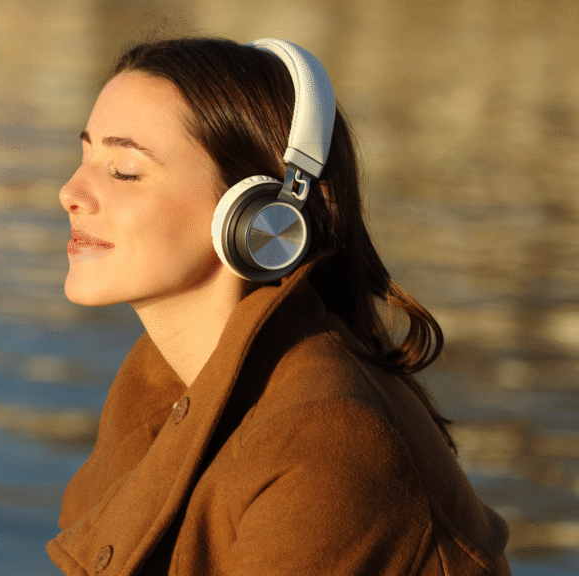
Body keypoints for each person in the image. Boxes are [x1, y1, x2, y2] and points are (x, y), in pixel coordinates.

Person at [48, 36, 512, 576]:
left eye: (124, 171)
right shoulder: (153, 388)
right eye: (85, 157)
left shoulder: (324, 439)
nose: (69, 191)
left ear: (260, 213)